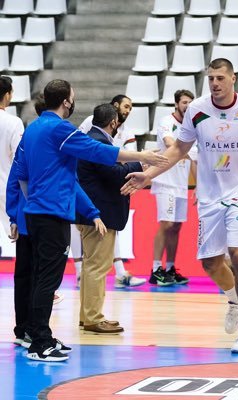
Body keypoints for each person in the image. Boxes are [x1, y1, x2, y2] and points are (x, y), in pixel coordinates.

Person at [121, 58, 238, 353]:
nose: (215, 83)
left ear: (233, 79)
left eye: (220, 78)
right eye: (210, 78)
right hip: (209, 197)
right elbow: (178, 149)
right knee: (210, 263)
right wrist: (148, 175)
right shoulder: (197, 110)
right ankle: (233, 298)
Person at [16, 79, 168, 362]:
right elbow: (98, 151)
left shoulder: (33, 128)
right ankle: (39, 343)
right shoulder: (60, 129)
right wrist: (142, 156)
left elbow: (22, 173)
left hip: (36, 213)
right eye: (72, 97)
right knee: (47, 281)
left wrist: (30, 203)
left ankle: (40, 333)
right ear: (66, 102)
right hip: (52, 214)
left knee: (40, 277)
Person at [76, 104, 143, 334]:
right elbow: (115, 174)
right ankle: (94, 317)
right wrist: (139, 164)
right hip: (99, 215)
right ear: (114, 123)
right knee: (97, 266)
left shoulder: (90, 137)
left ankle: (87, 315)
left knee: (90, 266)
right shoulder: (99, 142)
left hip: (90, 213)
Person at [150, 89, 196, 286]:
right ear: (177, 104)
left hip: (180, 183)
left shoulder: (193, 127)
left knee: (176, 226)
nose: (187, 106)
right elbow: (171, 144)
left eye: (190, 103)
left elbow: (196, 158)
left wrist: (198, 186)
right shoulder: (166, 122)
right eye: (184, 102)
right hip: (165, 181)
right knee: (166, 223)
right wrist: (184, 151)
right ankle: (155, 269)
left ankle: (169, 268)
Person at [0, 76, 24, 253]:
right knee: (17, 237)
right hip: (5, 185)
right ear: (8, 95)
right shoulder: (13, 122)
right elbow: (20, 157)